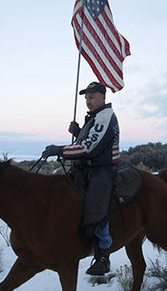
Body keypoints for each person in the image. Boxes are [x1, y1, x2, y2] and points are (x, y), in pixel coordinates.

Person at [43, 81, 120, 276]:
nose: (88, 101)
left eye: (92, 97)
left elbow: (89, 148)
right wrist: (78, 132)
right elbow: (86, 140)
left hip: (102, 169)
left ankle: (103, 254)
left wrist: (59, 150)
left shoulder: (105, 116)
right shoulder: (94, 118)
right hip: (86, 168)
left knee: (96, 204)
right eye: (86, 98)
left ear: (103, 97)